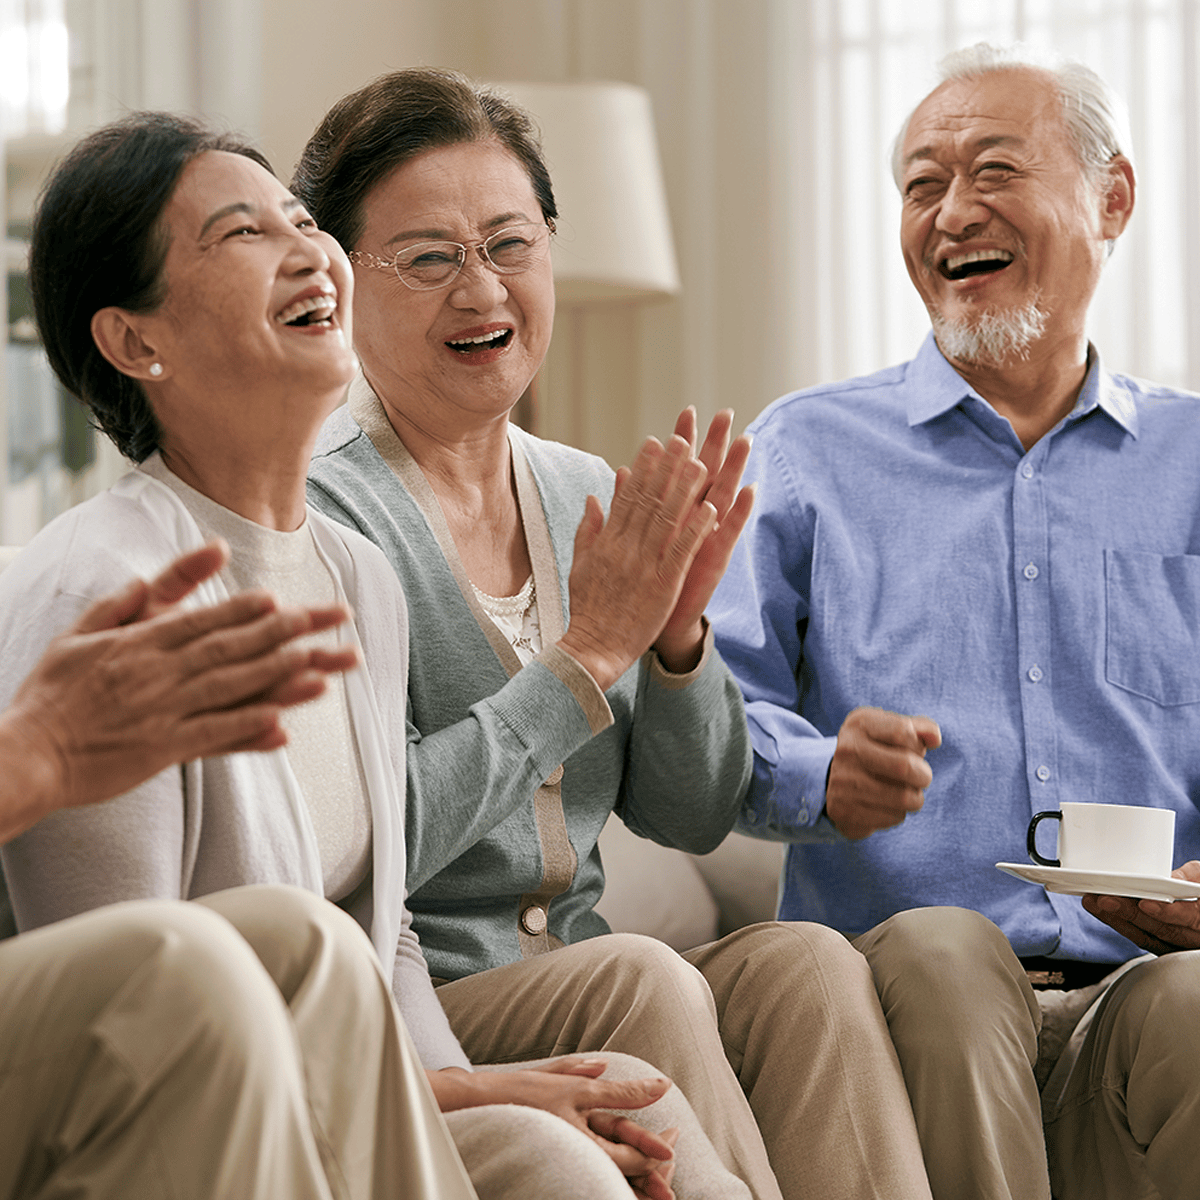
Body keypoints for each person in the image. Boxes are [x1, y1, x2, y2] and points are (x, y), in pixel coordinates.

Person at [0, 110, 741, 1200]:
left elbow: (377, 930)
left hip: (362, 1076)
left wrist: (468, 1086)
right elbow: (143, 1029)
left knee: (637, 1104)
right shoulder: (106, 595)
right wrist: (465, 1098)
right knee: (556, 1150)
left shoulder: (352, 576)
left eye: (304, 223)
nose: (309, 252)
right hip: (216, 1124)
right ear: (136, 342)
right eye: (242, 234)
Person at [297, 66, 933, 1200]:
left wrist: (679, 641)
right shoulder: (323, 518)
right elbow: (366, 844)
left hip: (590, 970)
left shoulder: (584, 492)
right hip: (432, 1007)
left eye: (510, 243)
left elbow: (686, 814)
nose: (481, 287)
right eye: (430, 257)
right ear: (340, 282)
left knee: (806, 966)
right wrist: (583, 659)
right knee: (640, 978)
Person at [707, 40, 1200, 1200]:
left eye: (992, 170)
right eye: (921, 186)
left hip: (1139, 992)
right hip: (906, 1000)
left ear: (1111, 197)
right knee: (941, 945)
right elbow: (712, 715)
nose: (950, 212)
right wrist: (820, 772)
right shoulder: (806, 452)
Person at [0, 543, 484, 1200]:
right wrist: (40, 754)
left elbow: (384, 913)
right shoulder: (89, 580)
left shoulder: (360, 575)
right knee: (175, 971)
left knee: (307, 933)